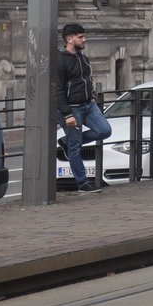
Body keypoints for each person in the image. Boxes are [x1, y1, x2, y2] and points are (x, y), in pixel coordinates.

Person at [54, 23, 112, 193]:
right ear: (70, 39)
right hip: (72, 109)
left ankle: (66, 141)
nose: (84, 40)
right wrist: (67, 114)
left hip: (88, 104)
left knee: (104, 131)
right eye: (81, 37)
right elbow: (58, 89)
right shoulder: (60, 60)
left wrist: (92, 96)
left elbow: (88, 78)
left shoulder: (83, 57)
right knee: (75, 147)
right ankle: (83, 184)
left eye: (84, 36)